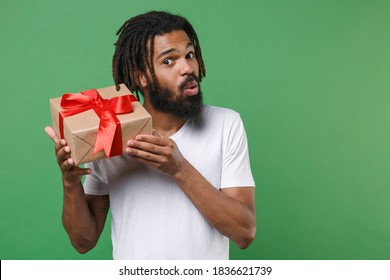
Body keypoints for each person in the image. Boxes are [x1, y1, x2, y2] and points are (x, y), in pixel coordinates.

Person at [45, 11, 256, 260]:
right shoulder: (109, 132)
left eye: (190, 55)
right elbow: (83, 241)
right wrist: (70, 183)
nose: (188, 67)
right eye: (169, 61)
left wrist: (179, 169)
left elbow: (245, 232)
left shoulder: (225, 124)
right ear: (140, 76)